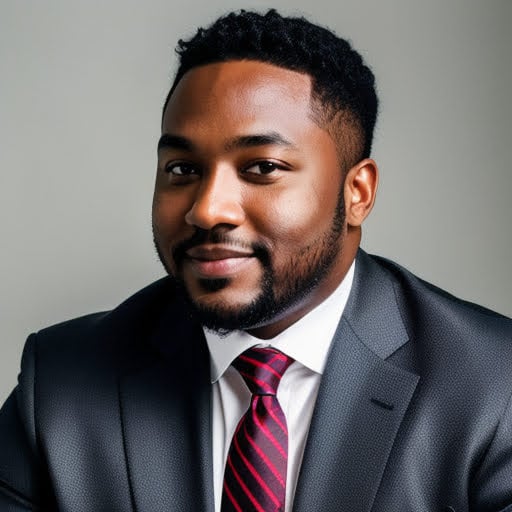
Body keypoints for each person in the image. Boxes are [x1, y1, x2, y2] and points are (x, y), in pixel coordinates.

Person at [1, 8, 511, 511]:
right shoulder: (59, 387)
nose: (206, 210)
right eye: (182, 168)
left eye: (262, 167)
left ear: (357, 192)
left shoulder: (494, 387)